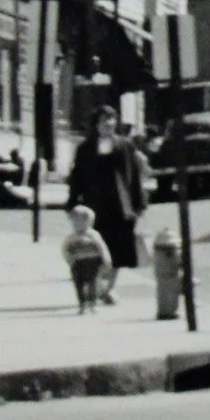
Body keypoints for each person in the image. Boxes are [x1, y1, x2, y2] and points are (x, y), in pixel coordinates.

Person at [65, 108, 146, 302]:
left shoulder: (125, 145)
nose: (108, 123)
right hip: (96, 206)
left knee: (119, 251)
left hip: (121, 206)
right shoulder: (85, 149)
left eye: (111, 119)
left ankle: (108, 288)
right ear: (96, 124)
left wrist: (139, 203)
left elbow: (134, 176)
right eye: (104, 120)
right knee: (96, 249)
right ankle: (96, 285)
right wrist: (72, 202)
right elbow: (76, 178)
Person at [61, 205, 111, 312]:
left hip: (93, 262)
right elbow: (65, 249)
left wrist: (106, 259)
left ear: (89, 222)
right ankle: (82, 304)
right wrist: (69, 260)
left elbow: (102, 247)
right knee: (79, 284)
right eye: (75, 222)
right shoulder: (72, 237)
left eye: (81, 221)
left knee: (93, 283)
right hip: (78, 263)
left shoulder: (93, 235)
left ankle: (92, 303)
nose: (77, 224)